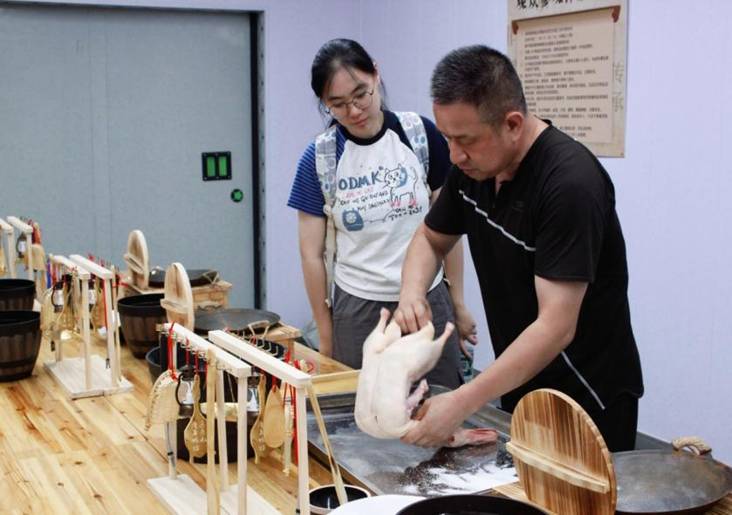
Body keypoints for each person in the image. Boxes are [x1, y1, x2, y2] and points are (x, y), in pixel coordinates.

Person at [395, 45, 643, 451]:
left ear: (512, 124)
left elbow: (555, 326)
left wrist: (461, 402)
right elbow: (430, 238)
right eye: (446, 138)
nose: (454, 155)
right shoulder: (473, 169)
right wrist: (411, 292)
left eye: (465, 140)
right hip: (520, 381)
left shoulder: (570, 184)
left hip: (585, 396)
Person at [287, 38, 477, 389]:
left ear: (375, 74)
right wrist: (326, 336)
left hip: (428, 299)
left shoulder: (420, 135)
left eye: (361, 94)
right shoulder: (319, 159)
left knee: (439, 401)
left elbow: (448, 229)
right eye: (338, 104)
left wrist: (458, 303)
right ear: (324, 103)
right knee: (365, 408)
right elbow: (311, 255)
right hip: (359, 309)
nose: (354, 110)